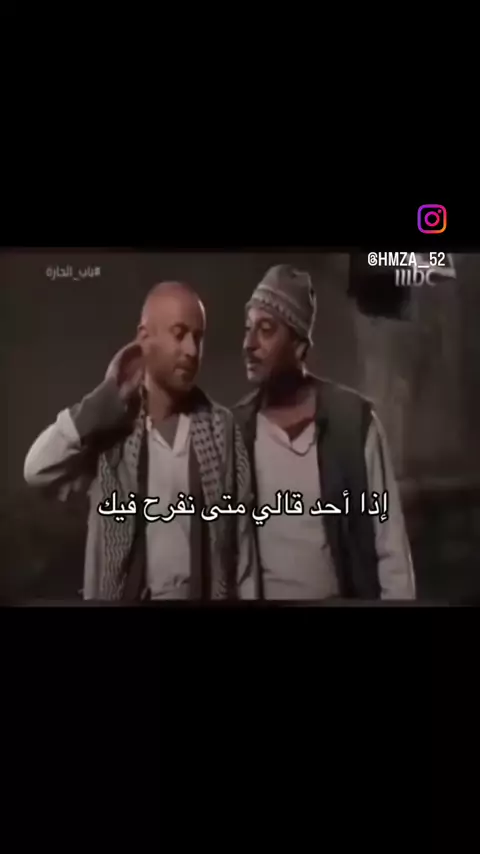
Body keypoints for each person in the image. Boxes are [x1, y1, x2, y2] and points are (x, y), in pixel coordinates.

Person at [24, 281, 258, 602]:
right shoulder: (111, 430)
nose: (191, 350)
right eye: (179, 334)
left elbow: (243, 551)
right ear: (145, 338)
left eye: (198, 337)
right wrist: (104, 398)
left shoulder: (221, 427)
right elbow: (36, 470)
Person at [233, 264, 416, 601]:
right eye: (248, 329)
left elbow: (391, 551)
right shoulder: (237, 432)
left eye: (266, 330)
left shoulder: (353, 424)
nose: (249, 344)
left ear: (299, 346)